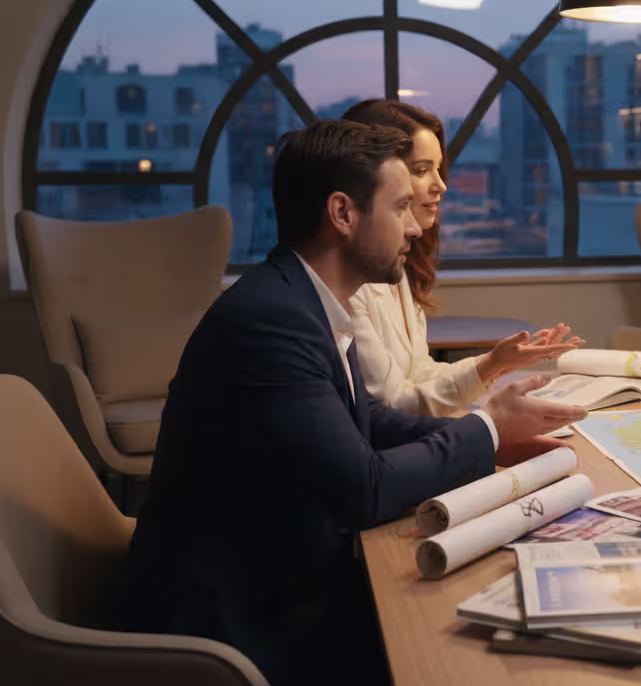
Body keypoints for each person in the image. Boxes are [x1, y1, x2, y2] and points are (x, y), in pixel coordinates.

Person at [124, 120, 587, 686]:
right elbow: (363, 490)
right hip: (241, 612)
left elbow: (366, 423)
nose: (414, 227)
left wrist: (490, 439)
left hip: (282, 569)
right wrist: (487, 428)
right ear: (343, 214)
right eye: (398, 207)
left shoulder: (300, 298)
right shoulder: (272, 323)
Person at [341, 100, 582, 416]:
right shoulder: (347, 284)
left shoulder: (399, 268)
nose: (440, 185)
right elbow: (391, 406)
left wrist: (496, 362)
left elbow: (419, 373)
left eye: (438, 169)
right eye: (421, 170)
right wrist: (490, 421)